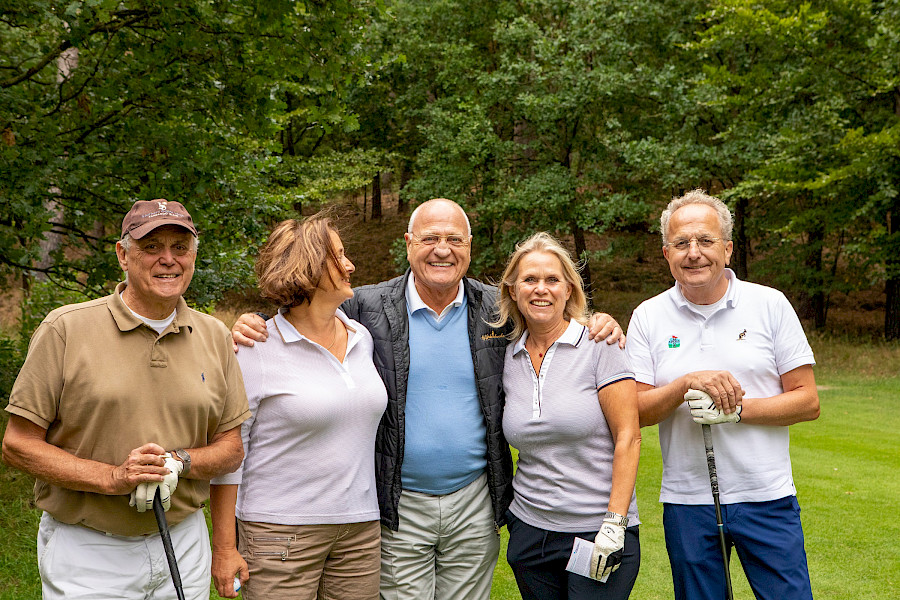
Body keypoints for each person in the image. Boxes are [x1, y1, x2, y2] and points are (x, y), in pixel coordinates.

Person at [231, 198, 625, 600]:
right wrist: (252, 322)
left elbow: (550, 314)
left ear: (469, 246)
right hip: (400, 504)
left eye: (454, 239)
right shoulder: (366, 308)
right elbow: (300, 310)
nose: (443, 249)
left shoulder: (497, 307)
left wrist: (595, 321)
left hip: (474, 501)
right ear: (408, 243)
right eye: (430, 238)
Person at [1, 199, 250, 600]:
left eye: (180, 247)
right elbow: (17, 444)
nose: (168, 260)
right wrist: (114, 478)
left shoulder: (214, 335)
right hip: (89, 547)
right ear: (123, 254)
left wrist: (179, 462)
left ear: (193, 256)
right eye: (151, 247)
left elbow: (231, 448)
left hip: (183, 539)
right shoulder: (65, 329)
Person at [625, 190, 820, 600]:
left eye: (705, 241)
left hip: (766, 495)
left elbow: (807, 400)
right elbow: (637, 410)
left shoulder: (769, 304)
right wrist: (683, 386)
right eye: (681, 243)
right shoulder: (648, 315)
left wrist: (735, 411)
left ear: (727, 249)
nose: (693, 253)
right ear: (666, 254)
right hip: (687, 500)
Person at [209, 215, 388, 600]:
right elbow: (229, 457)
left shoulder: (362, 338)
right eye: (339, 257)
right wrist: (224, 548)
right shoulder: (254, 348)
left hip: (359, 529)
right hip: (280, 535)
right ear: (307, 269)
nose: (350, 265)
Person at [492, 232, 641, 600]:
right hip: (530, 531)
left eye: (552, 280)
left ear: (569, 290)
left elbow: (629, 436)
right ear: (513, 290)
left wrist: (614, 523)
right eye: (530, 279)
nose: (540, 289)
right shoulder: (506, 357)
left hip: (596, 531)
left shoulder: (600, 345)